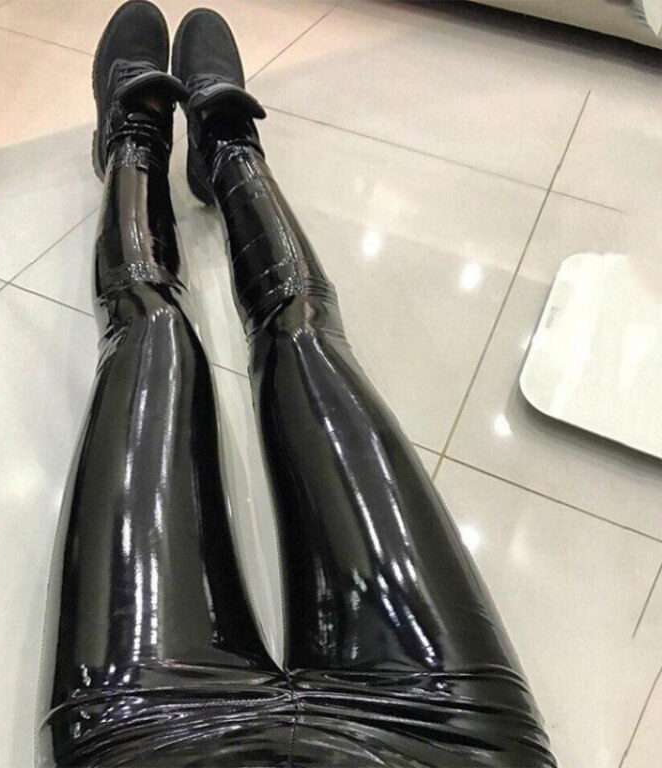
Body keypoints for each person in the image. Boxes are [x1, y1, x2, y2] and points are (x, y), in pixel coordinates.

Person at [36, 3, 557, 766]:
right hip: (438, 741)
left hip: (155, 743)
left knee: (149, 327)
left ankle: (134, 140)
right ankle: (230, 151)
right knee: (304, 329)